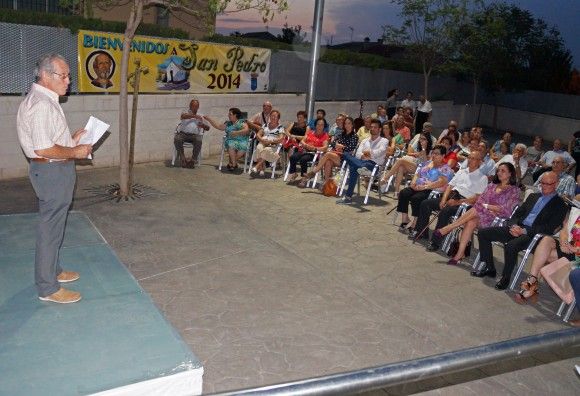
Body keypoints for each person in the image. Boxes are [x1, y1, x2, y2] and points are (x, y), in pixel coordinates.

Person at [17, 53, 93, 303]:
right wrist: (75, 152)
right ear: (46, 76)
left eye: (69, 75)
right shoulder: (41, 105)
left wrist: (72, 139)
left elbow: (50, 142)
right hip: (51, 172)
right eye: (64, 75)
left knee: (54, 226)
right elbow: (43, 149)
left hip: (52, 170)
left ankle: (54, 271)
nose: (69, 80)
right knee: (49, 230)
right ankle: (47, 288)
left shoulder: (44, 100)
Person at [473, 171, 568, 290]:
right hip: (516, 228)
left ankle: (505, 277)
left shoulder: (560, 205)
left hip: (533, 235)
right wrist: (513, 226)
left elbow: (549, 228)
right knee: (483, 233)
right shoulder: (533, 196)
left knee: (511, 246)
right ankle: (489, 268)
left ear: (556, 184)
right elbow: (517, 214)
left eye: (548, 184)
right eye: (542, 183)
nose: (544, 186)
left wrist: (524, 231)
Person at [435, 163, 520, 265]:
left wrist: (489, 207)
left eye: (503, 171)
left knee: (476, 210)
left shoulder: (514, 191)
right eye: (498, 170)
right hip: (480, 214)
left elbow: (507, 210)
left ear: (510, 174)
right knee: (471, 221)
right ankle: (459, 253)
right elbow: (480, 200)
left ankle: (449, 228)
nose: (499, 173)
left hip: (495, 220)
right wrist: (486, 207)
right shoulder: (492, 185)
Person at [413, 150, 487, 250]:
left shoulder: (482, 178)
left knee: (445, 211)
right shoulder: (461, 171)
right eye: (469, 157)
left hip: (464, 203)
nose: (470, 160)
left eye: (473, 158)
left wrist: (457, 202)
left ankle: (435, 242)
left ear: (479, 162)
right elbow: (449, 186)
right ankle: (422, 232)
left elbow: (477, 198)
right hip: (451, 196)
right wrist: (443, 200)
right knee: (426, 203)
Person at [515, 204, 580, 304]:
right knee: (547, 240)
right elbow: (564, 231)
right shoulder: (577, 213)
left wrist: (576, 250)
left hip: (577, 256)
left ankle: (531, 285)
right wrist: (563, 242)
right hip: (568, 248)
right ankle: (532, 281)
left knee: (545, 255)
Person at [396, 145, 454, 230]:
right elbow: (417, 174)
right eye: (433, 153)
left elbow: (441, 182)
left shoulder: (445, 168)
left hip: (430, 189)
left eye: (437, 154)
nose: (433, 155)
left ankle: (415, 222)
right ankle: (405, 219)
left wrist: (425, 187)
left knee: (416, 198)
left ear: (443, 155)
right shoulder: (427, 163)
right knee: (404, 193)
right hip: (418, 186)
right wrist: (413, 182)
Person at [336, 119, 389, 205]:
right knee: (346, 154)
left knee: (353, 167)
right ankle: (361, 168)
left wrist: (368, 154)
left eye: (375, 127)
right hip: (361, 162)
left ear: (380, 129)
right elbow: (357, 154)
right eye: (371, 127)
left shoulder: (384, 141)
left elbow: (380, 152)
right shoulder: (365, 140)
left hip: (373, 165)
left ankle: (348, 197)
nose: (372, 129)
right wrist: (362, 156)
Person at [304, 116, 359, 186]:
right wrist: (336, 145)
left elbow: (351, 148)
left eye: (349, 123)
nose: (347, 125)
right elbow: (332, 143)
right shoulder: (341, 134)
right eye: (345, 124)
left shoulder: (354, 136)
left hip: (345, 159)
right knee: (328, 162)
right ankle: (326, 184)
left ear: (352, 125)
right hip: (336, 156)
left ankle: (313, 172)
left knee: (328, 154)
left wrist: (342, 147)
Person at [380, 132, 432, 197]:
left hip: (422, 169)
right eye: (420, 138)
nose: (421, 140)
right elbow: (410, 153)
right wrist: (417, 153)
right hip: (416, 165)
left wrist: (423, 149)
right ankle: (396, 192)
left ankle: (385, 179)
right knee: (401, 167)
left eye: (423, 139)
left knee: (400, 160)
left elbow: (425, 162)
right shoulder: (419, 147)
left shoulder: (431, 150)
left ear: (427, 140)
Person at [287, 118, 329, 183]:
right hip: (304, 150)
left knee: (303, 159)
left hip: (314, 153)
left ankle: (304, 178)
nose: (320, 126)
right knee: (293, 157)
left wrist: (315, 148)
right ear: (315, 125)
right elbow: (302, 141)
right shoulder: (311, 132)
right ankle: (294, 173)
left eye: (322, 125)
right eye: (318, 124)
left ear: (324, 126)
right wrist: (305, 145)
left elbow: (325, 147)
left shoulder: (325, 135)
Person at [174, 99, 210, 168]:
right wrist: (195, 116)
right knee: (177, 138)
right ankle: (183, 158)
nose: (194, 107)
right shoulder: (186, 112)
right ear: (190, 106)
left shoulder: (201, 115)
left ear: (198, 107)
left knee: (199, 140)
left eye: (196, 106)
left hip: (194, 135)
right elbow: (183, 116)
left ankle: (193, 161)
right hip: (183, 134)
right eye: (193, 106)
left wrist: (203, 125)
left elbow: (208, 128)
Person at [251, 110, 285, 177]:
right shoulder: (265, 125)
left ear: (278, 118)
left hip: (273, 144)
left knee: (266, 150)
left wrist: (272, 141)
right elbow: (258, 134)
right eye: (272, 116)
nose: (273, 117)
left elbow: (281, 138)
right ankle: (262, 169)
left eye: (275, 116)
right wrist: (262, 140)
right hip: (263, 141)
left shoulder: (280, 127)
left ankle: (257, 166)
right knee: (259, 148)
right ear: (270, 117)